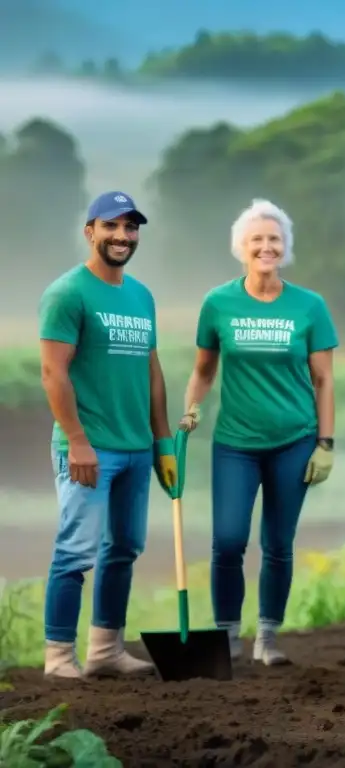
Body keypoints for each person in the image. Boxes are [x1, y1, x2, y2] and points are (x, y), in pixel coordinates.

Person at [178, 198, 339, 665]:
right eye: (256, 239)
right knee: (228, 540)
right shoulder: (218, 303)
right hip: (235, 444)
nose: (266, 247)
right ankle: (227, 635)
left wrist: (326, 443)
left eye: (274, 239)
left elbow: (324, 380)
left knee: (278, 544)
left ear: (285, 246)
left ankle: (267, 637)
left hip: (295, 441)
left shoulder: (310, 306)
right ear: (241, 248)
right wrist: (191, 409)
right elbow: (204, 370)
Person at [38, 191, 177, 679]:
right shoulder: (67, 293)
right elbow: (53, 373)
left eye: (131, 227)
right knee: (76, 552)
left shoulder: (141, 296)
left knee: (123, 549)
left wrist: (163, 443)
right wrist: (77, 440)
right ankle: (59, 657)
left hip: (137, 449)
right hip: (89, 448)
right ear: (90, 231)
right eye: (112, 225)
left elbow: (151, 371)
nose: (123, 235)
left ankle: (105, 650)